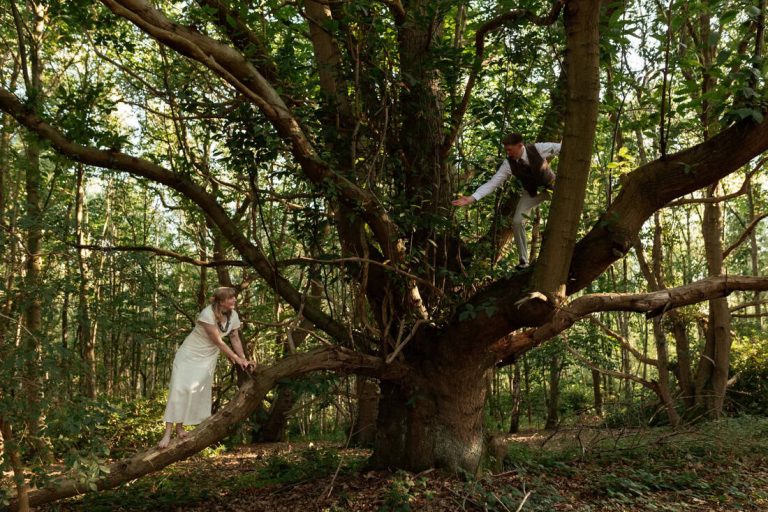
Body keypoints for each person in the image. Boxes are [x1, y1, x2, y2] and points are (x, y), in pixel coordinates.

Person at [158, 286, 254, 449]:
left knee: (193, 390)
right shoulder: (207, 314)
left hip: (207, 358)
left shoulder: (234, 315)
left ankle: (180, 428)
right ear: (222, 301)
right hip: (189, 355)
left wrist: (244, 359)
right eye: (231, 298)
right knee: (178, 389)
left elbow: (235, 337)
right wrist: (235, 358)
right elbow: (218, 341)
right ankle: (167, 433)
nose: (234, 300)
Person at [452, 132, 561, 269]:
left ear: (520, 146)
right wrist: (472, 198)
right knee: (517, 221)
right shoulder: (508, 164)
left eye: (510, 149)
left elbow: (561, 148)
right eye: (506, 150)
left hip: (553, 188)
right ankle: (524, 261)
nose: (508, 153)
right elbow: (493, 183)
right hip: (531, 193)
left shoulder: (537, 148)